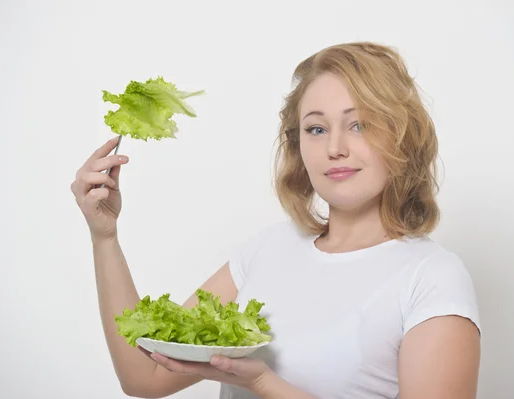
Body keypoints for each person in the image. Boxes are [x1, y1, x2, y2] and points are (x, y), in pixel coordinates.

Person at [71, 41, 481, 399]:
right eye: (316, 129)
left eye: (360, 125)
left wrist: (264, 384)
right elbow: (145, 376)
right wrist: (104, 237)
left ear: (402, 137)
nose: (335, 147)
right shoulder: (266, 250)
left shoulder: (431, 277)